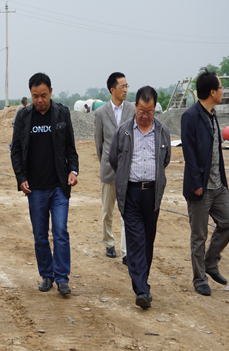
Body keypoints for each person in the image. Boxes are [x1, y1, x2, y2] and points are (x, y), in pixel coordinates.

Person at [10, 72, 79, 295]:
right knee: (40, 236)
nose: (40, 100)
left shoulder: (62, 113)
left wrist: (73, 171)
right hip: (35, 189)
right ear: (30, 95)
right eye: (35, 96)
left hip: (59, 186)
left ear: (51, 92)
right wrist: (21, 177)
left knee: (60, 232)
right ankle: (47, 275)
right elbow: (16, 150)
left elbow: (70, 148)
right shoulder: (23, 116)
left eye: (43, 95)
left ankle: (62, 277)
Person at [109, 86, 170, 309]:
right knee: (136, 242)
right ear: (135, 107)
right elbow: (114, 159)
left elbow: (165, 160)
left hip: (152, 194)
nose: (145, 116)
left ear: (155, 110)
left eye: (149, 112)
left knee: (147, 242)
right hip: (131, 193)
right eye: (142, 111)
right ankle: (142, 290)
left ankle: (143, 284)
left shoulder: (162, 132)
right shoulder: (124, 131)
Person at [181, 68, 229, 296]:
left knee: (228, 223)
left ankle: (210, 263)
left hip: (218, 185)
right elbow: (189, 153)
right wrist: (196, 184)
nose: (223, 91)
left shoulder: (213, 115)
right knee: (199, 236)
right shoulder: (190, 116)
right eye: (221, 88)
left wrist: (223, 182)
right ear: (212, 92)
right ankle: (199, 278)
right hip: (200, 188)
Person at [94, 72, 135, 264]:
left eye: (127, 86)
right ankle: (109, 243)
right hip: (109, 169)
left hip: (129, 170)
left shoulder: (132, 110)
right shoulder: (101, 113)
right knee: (107, 211)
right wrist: (106, 161)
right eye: (122, 86)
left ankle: (126, 251)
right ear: (112, 90)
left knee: (127, 212)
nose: (125, 90)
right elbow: (99, 144)